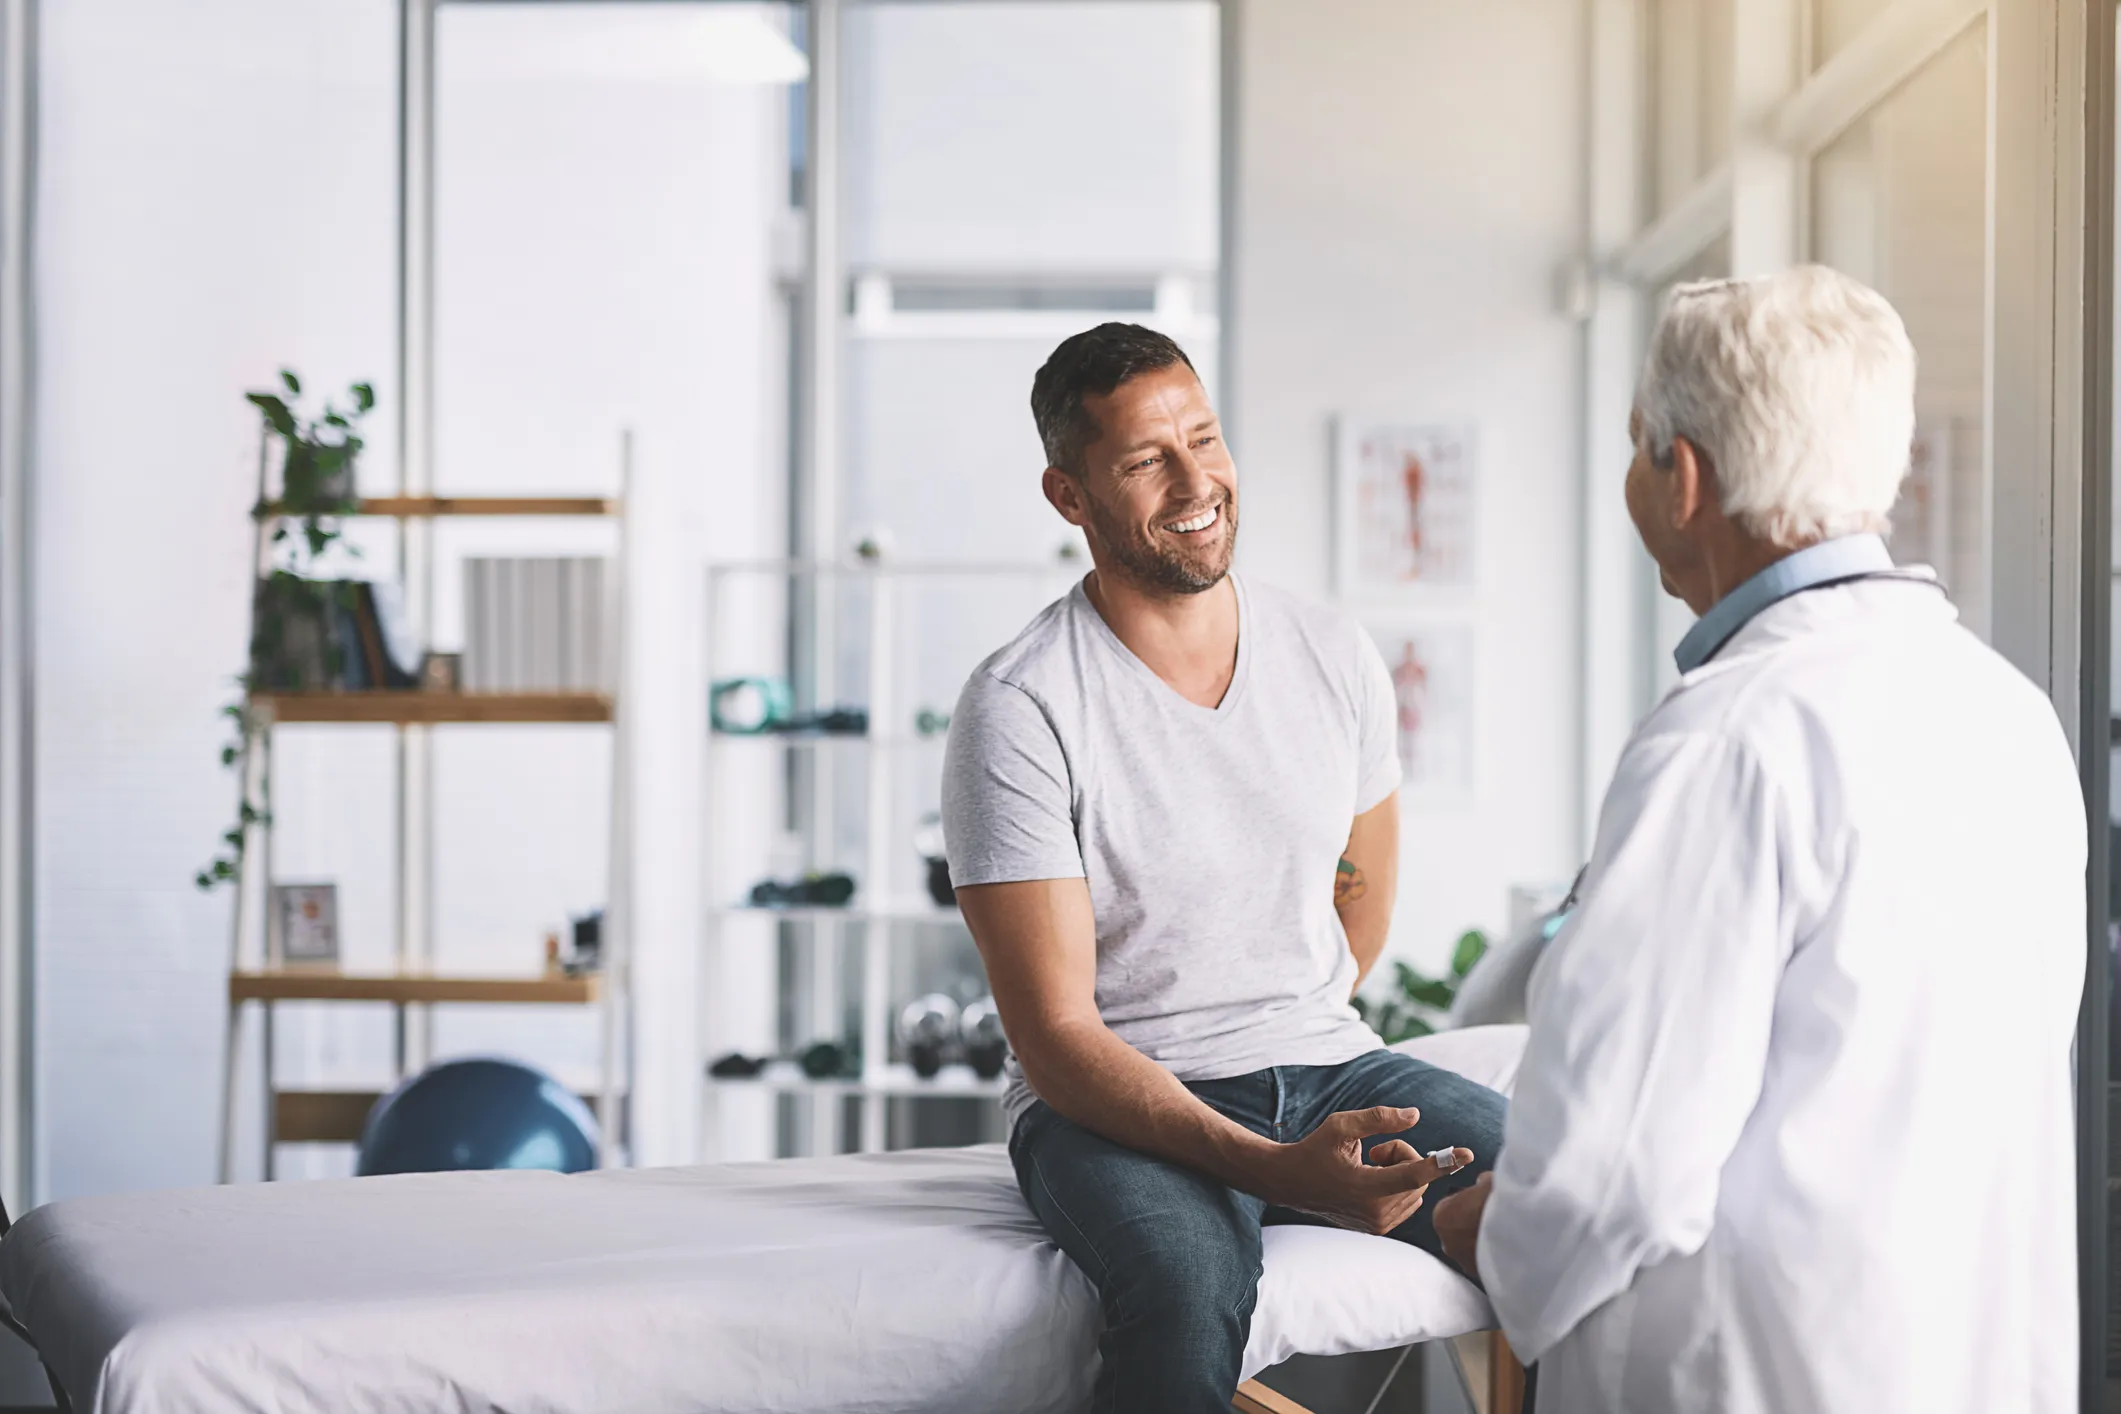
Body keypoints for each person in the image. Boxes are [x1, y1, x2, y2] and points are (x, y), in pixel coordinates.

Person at [1429, 265, 2086, 1413]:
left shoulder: (1726, 738)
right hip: (1957, 1360)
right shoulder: (2007, 712)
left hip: (1751, 1372)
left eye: (1639, 447)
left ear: (1680, 478)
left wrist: (1493, 1231)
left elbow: (1611, 1170)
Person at [941, 322, 1508, 1414]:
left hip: (1331, 1062)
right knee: (1186, 1292)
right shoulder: (1020, 706)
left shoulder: (1331, 652)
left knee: (1569, 1200)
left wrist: (1298, 1026)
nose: (1197, 481)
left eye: (1205, 438)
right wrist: (1269, 1163)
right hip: (1118, 1102)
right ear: (1070, 496)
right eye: (1148, 459)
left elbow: (1362, 891)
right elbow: (1055, 1038)